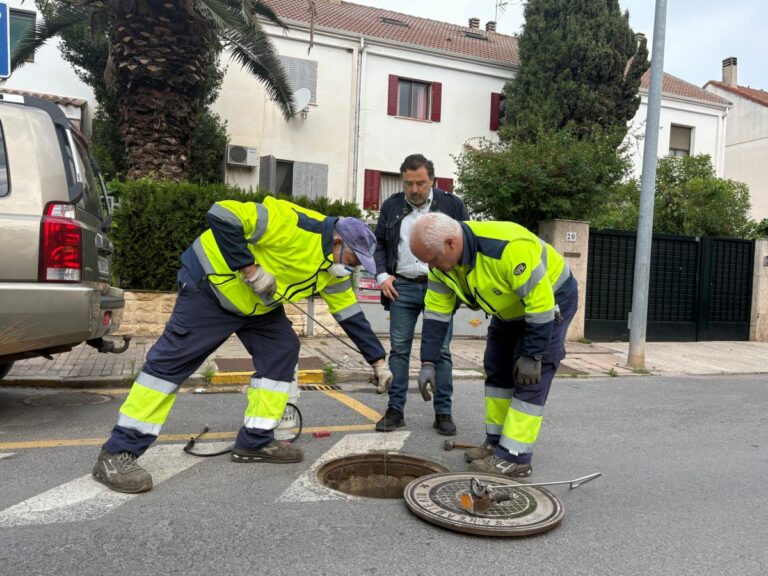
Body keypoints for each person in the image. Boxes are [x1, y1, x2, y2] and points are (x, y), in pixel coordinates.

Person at [92, 196, 393, 493]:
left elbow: (350, 315)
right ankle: (118, 453)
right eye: (353, 260)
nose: (352, 269)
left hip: (257, 304)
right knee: (169, 365)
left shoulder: (333, 273)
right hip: (210, 288)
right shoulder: (293, 225)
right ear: (338, 241)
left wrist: (378, 361)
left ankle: (256, 441)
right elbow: (221, 214)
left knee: (282, 349)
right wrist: (249, 268)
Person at [410, 212, 578, 477]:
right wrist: (428, 361)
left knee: (529, 377)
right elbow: (436, 313)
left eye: (432, 260)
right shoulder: (440, 265)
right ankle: (497, 443)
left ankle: (515, 457)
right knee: (497, 367)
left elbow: (541, 304)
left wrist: (533, 354)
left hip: (550, 303)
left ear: (451, 244)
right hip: (509, 308)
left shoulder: (507, 248)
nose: (430, 267)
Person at [373, 154, 468, 436]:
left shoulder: (452, 205)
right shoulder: (391, 206)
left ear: (432, 181)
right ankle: (395, 410)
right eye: (408, 184)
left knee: (441, 351)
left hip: (439, 287)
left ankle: (443, 412)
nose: (414, 190)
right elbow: (378, 242)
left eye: (421, 183)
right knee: (399, 350)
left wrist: (459, 284)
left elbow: (467, 241)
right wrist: (381, 274)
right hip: (401, 286)